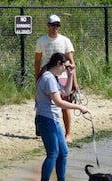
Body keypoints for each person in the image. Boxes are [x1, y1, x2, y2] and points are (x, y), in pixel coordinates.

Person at [35, 52, 89, 181]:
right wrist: (79, 107)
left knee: (63, 152)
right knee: (53, 153)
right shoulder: (48, 78)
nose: (65, 69)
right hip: (47, 120)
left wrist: (71, 75)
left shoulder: (53, 77)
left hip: (53, 120)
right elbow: (58, 102)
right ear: (59, 63)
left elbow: (65, 91)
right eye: (65, 67)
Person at [34, 15, 78, 143]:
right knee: (44, 104)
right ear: (48, 25)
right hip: (47, 76)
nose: (55, 28)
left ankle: (68, 133)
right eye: (53, 25)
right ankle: (44, 130)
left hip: (62, 76)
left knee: (64, 105)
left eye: (58, 25)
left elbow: (71, 62)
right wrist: (37, 79)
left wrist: (74, 81)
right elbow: (37, 62)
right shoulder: (41, 41)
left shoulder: (65, 41)